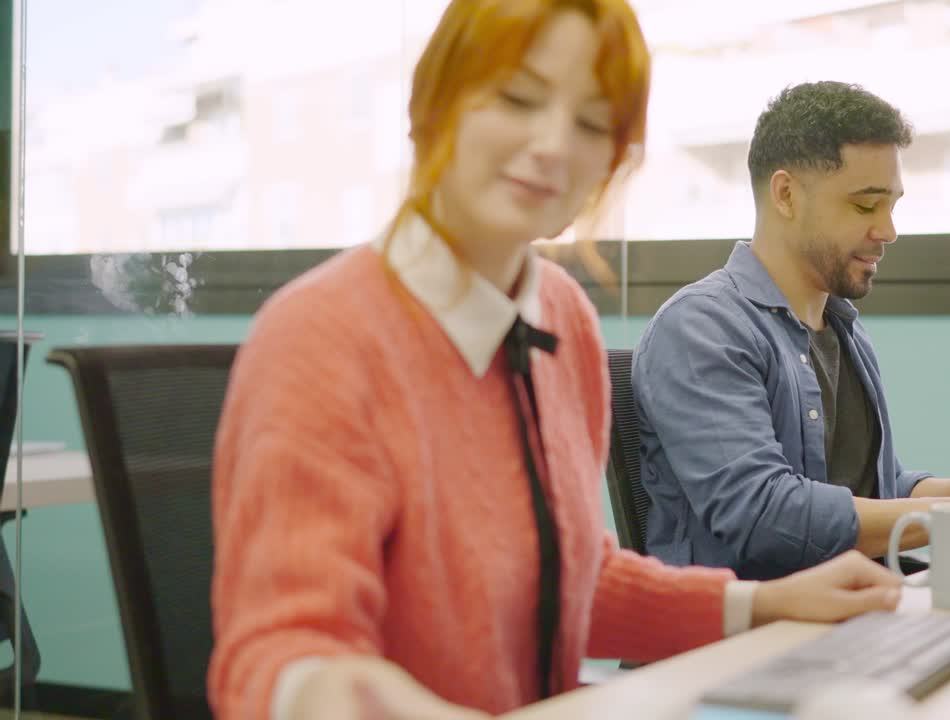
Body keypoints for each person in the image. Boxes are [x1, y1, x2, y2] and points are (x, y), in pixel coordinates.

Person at [208, 7, 907, 720]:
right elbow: (283, 656)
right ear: (432, 101)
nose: (553, 146)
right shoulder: (322, 335)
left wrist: (763, 603)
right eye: (517, 99)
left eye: (592, 123)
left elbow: (570, 577)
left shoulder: (560, 317)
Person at [632, 81, 950, 582]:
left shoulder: (843, 331)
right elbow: (764, 517)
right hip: (748, 641)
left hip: (855, 612)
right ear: (786, 194)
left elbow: (879, 491)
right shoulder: (703, 328)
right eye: (865, 206)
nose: (888, 230)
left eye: (892, 205)